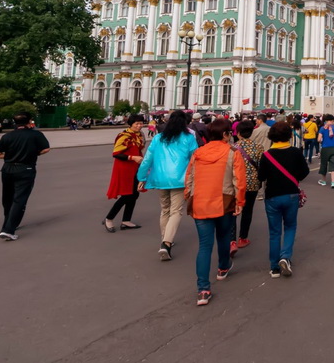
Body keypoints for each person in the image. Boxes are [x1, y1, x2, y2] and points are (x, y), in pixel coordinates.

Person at [183, 120, 244, 306]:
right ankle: (223, 268)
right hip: (224, 202)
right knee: (224, 237)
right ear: (226, 134)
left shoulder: (198, 153)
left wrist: (189, 196)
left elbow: (189, 177)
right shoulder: (233, 153)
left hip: (200, 202)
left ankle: (203, 289)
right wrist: (240, 201)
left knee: (204, 246)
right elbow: (238, 181)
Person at [136, 109, 198, 261]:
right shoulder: (189, 138)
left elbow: (147, 159)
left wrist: (141, 177)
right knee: (176, 211)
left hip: (160, 178)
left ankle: (165, 239)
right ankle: (167, 243)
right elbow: (195, 159)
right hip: (179, 179)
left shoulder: (158, 138)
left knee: (165, 209)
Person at [258, 120, 309, 279]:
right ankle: (285, 256)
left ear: (272, 136)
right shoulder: (295, 152)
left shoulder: (266, 155)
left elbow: (261, 177)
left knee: (274, 232)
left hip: (272, 196)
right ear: (288, 135)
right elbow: (305, 171)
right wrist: (295, 178)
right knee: (290, 226)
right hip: (291, 194)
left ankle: (274, 267)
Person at [0, 113, 51, 240]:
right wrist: (33, 154)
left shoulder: (7, 136)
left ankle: (7, 224)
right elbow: (46, 149)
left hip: (7, 168)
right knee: (19, 199)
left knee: (7, 198)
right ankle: (8, 230)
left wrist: (9, 157)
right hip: (25, 168)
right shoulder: (35, 134)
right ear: (29, 122)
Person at [103, 115, 146, 232]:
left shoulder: (140, 135)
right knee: (127, 195)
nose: (139, 126)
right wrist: (132, 157)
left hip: (135, 167)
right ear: (131, 124)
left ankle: (126, 220)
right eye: (137, 124)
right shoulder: (123, 136)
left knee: (134, 194)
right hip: (124, 168)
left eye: (141, 123)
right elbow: (116, 153)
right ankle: (109, 218)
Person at [231, 120, 264, 252]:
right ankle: (243, 237)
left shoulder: (232, 147)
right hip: (252, 184)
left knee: (233, 210)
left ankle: (232, 240)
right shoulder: (258, 147)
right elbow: (261, 166)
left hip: (236, 184)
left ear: (238, 133)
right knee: (247, 210)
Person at [317, 114, 334, 188]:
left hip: (325, 148)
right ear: (333, 120)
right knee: (333, 165)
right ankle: (333, 183)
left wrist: (323, 141)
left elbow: (318, 139)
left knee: (324, 164)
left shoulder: (322, 128)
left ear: (325, 121)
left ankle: (323, 181)